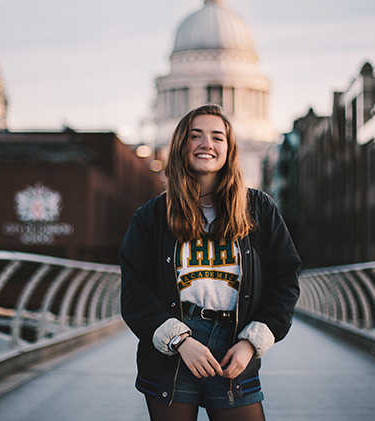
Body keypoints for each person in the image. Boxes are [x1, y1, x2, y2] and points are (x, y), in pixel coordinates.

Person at [120, 104, 301, 421]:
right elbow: (134, 290)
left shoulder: (258, 208)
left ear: (228, 149)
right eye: (196, 136)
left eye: (217, 137)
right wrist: (179, 341)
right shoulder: (152, 215)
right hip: (173, 350)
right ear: (181, 146)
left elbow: (285, 280)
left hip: (235, 343)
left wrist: (251, 342)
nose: (207, 144)